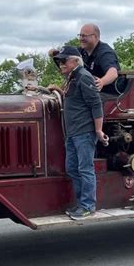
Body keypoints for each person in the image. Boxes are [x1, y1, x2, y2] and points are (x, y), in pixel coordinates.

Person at [53, 46, 107, 220]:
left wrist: (98, 130)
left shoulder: (83, 77)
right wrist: (57, 90)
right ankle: (81, 204)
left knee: (85, 169)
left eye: (64, 60)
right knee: (72, 168)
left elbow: (96, 104)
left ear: (75, 61)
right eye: (59, 61)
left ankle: (87, 206)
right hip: (73, 133)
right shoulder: (73, 77)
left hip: (84, 132)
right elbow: (73, 99)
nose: (61, 64)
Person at [50, 23, 125, 96]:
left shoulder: (105, 53)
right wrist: (56, 53)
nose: (81, 39)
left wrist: (102, 82)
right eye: (80, 35)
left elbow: (113, 73)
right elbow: (69, 56)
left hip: (109, 95)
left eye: (84, 36)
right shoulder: (82, 51)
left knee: (78, 101)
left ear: (95, 37)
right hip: (90, 92)